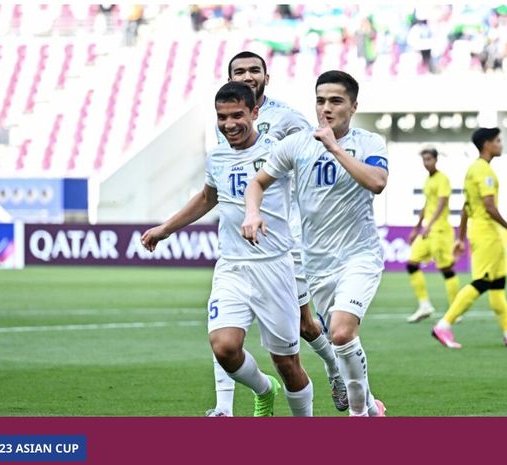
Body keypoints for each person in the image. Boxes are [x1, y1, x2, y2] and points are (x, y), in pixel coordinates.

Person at [141, 81, 313, 416]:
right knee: (224, 347)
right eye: (222, 117)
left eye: (237, 115)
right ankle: (264, 389)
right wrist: (165, 229)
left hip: (274, 268)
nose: (229, 124)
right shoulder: (217, 156)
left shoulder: (277, 152)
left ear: (255, 113)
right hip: (232, 267)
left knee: (288, 363)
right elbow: (208, 198)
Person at [207, 52, 347, 417]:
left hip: (287, 240)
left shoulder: (286, 119)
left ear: (267, 77)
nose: (248, 75)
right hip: (240, 250)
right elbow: (222, 182)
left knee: (303, 327)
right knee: (225, 338)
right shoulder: (227, 117)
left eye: (255, 70)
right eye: (240, 71)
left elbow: (313, 161)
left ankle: (335, 367)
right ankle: (225, 406)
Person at [242, 70, 388, 416]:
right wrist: (252, 213)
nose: (326, 108)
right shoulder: (296, 145)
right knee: (334, 336)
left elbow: (377, 182)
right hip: (316, 265)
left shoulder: (370, 143)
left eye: (335, 101)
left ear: (354, 106)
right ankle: (370, 408)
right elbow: (257, 183)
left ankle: (357, 417)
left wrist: (335, 148)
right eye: (320, 101)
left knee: (340, 333)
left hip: (359, 256)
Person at [431, 127, 507, 349]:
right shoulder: (483, 170)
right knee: (482, 282)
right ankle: (443, 325)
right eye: (497, 141)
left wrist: (460, 237)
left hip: (482, 231)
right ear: (487, 144)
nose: (501, 144)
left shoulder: (474, 169)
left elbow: (466, 207)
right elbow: (488, 206)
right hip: (486, 232)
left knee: (497, 284)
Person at [406, 148, 460, 322]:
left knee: (446, 269)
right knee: (411, 264)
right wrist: (416, 227)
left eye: (429, 159)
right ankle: (424, 305)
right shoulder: (428, 181)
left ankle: (455, 310)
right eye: (424, 159)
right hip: (428, 231)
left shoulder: (442, 179)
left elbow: (442, 203)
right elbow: (427, 204)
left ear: (436, 160)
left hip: (441, 231)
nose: (426, 162)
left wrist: (429, 224)